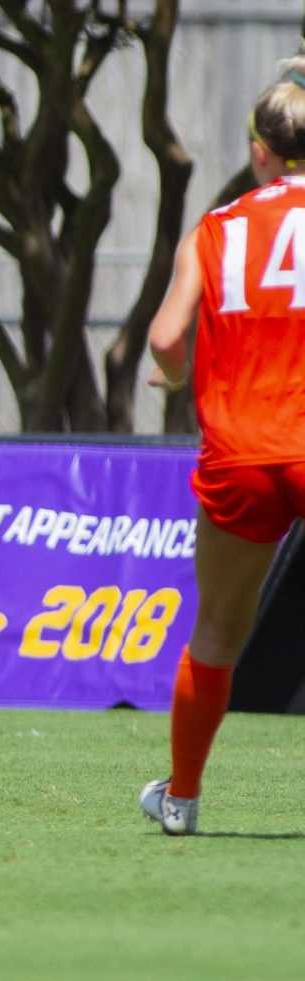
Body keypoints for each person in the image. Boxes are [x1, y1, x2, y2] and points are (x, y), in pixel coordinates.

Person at [139, 62, 305, 835]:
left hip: (242, 449)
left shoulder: (215, 229)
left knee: (218, 631)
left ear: (258, 149)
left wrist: (174, 377)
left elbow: (168, 338)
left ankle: (182, 797)